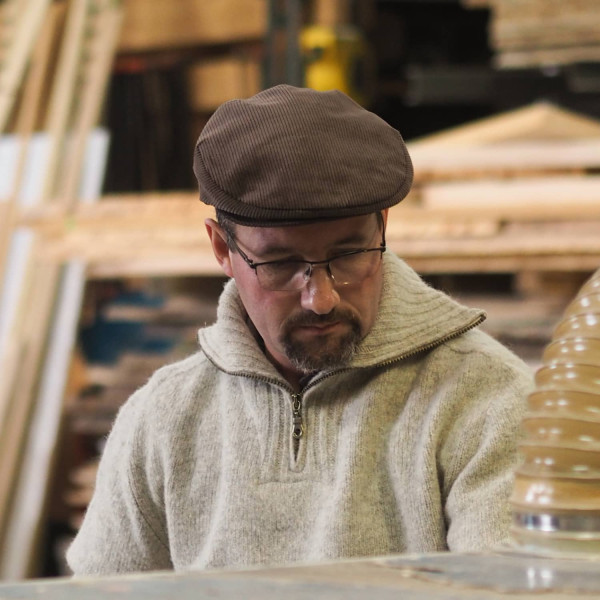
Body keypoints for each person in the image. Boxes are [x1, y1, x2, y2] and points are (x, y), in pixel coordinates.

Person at [67, 85, 533, 576]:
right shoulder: (162, 419)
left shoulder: (488, 400)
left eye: (350, 255)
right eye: (281, 263)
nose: (321, 297)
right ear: (221, 247)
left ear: (384, 228)